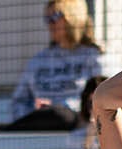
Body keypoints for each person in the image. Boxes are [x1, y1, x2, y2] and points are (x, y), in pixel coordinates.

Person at [11, 0, 110, 129]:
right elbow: (18, 101)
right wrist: (34, 110)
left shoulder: (95, 57)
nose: (50, 24)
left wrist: (60, 106)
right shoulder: (39, 60)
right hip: (38, 127)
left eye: (55, 17)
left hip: (79, 127)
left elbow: (106, 96)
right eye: (47, 18)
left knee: (59, 114)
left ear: (73, 18)